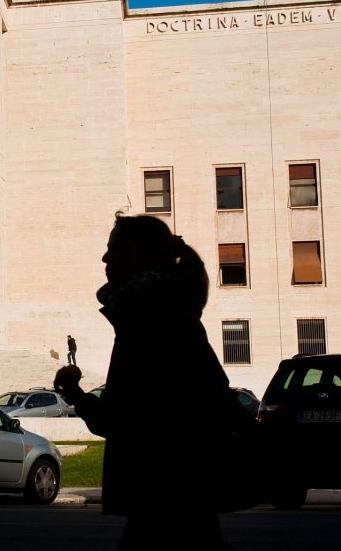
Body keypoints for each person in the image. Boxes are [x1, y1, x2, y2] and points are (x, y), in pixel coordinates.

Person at [54, 213, 256, 550]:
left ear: (145, 255)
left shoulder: (149, 320)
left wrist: (75, 393)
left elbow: (121, 418)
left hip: (164, 492)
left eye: (116, 249)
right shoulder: (155, 311)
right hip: (177, 493)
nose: (105, 258)